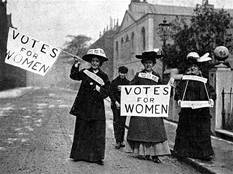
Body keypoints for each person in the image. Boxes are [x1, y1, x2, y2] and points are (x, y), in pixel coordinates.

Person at [126, 49, 171, 163]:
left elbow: (161, 90)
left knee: (155, 131)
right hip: (142, 109)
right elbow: (131, 87)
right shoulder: (139, 75)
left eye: (150, 63)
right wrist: (124, 89)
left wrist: (169, 87)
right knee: (142, 130)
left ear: (153, 64)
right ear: (143, 64)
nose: (148, 65)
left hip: (153, 110)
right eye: (146, 63)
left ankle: (155, 155)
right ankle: (144, 152)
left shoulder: (156, 76)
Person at [69, 48, 110, 165]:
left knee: (97, 132)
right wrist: (76, 64)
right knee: (82, 130)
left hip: (97, 109)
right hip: (84, 106)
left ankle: (97, 157)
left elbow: (107, 92)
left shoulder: (104, 76)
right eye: (93, 61)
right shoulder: (85, 72)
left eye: (97, 61)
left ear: (100, 63)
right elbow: (73, 75)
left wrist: (99, 89)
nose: (95, 63)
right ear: (90, 62)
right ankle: (79, 155)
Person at [173, 52, 216, 161]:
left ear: (198, 69)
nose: (193, 70)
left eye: (195, 68)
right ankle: (184, 152)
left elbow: (210, 91)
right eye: (191, 68)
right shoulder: (185, 81)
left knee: (202, 131)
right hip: (187, 111)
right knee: (186, 131)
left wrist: (211, 98)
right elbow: (178, 91)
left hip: (202, 111)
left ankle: (204, 153)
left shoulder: (203, 80)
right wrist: (178, 99)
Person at [110, 66, 130, 149]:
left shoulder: (128, 83)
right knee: (117, 122)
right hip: (116, 105)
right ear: (119, 72)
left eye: (124, 73)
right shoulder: (114, 82)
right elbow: (111, 93)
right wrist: (115, 102)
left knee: (122, 123)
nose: (122, 74)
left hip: (124, 106)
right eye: (121, 73)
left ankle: (121, 140)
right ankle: (117, 141)